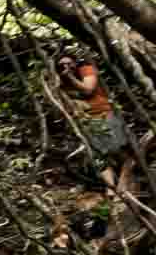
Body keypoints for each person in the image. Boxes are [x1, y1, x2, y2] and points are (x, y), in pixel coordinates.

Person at [58, 53, 136, 194]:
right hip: (87, 120)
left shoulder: (86, 70)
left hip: (105, 114)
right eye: (62, 65)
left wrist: (70, 76)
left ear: (75, 63)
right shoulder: (60, 82)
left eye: (69, 63)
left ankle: (128, 178)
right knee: (99, 155)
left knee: (117, 149)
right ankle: (110, 189)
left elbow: (88, 89)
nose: (66, 67)